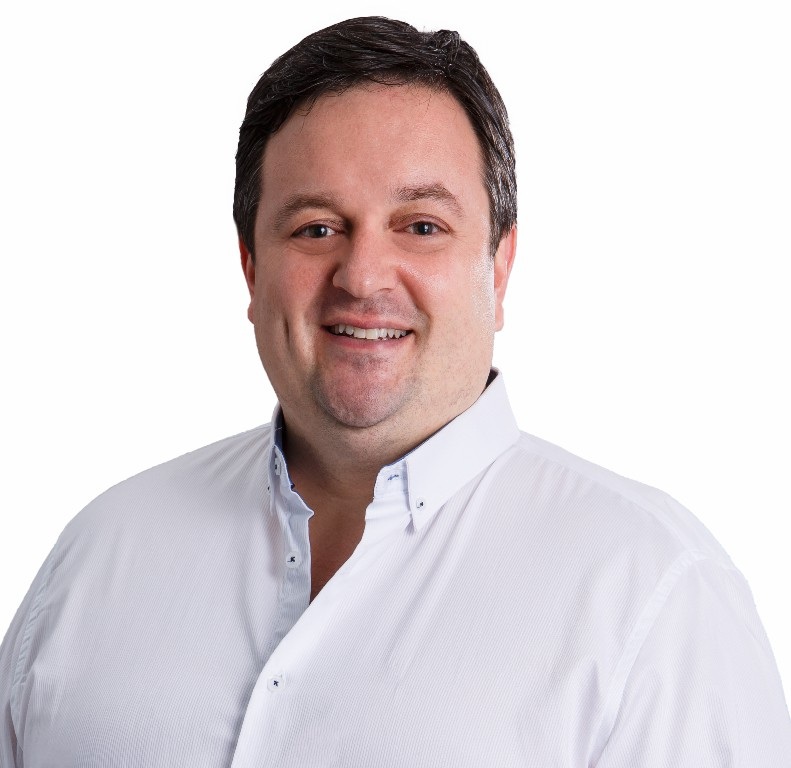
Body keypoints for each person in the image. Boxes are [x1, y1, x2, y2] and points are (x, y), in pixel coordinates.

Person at [1, 15, 789, 767]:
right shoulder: (98, 556)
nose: (362, 276)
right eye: (315, 228)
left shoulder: (654, 597)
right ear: (250, 268)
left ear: (498, 267)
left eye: (420, 226)